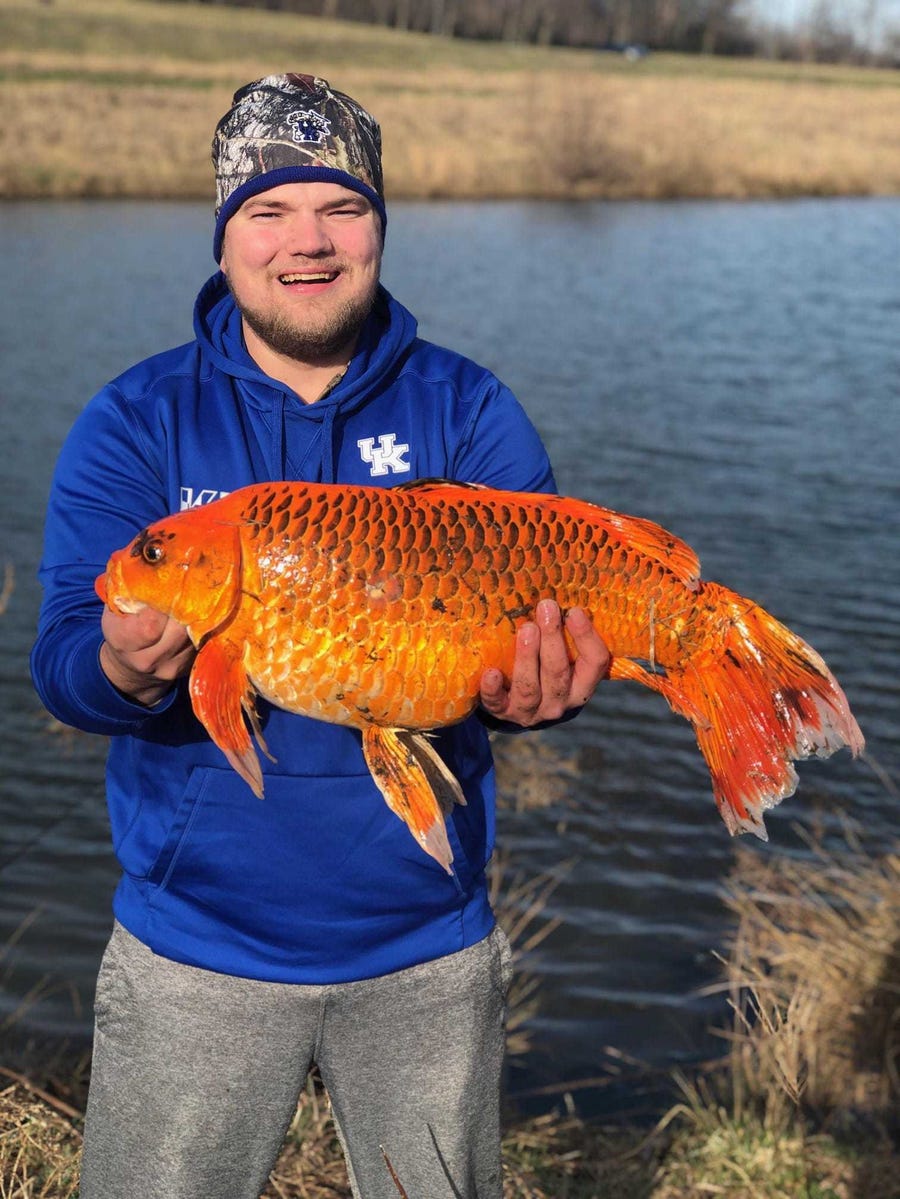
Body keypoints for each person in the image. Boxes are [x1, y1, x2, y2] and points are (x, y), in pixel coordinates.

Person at [31, 74, 609, 1199]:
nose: (308, 240)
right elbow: (60, 659)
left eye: (341, 207)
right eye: (269, 210)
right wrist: (117, 665)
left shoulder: (471, 410)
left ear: (380, 225)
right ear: (224, 236)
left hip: (427, 943)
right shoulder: (136, 418)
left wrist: (548, 690)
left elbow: (541, 642)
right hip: (192, 947)